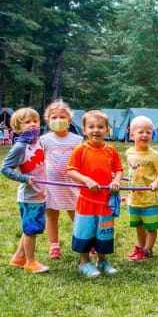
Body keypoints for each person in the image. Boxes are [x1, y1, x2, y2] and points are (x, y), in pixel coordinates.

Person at [67, 110, 123, 278]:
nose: (96, 130)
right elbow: (70, 170)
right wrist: (87, 180)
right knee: (85, 232)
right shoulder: (80, 149)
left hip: (105, 202)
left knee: (104, 233)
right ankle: (84, 263)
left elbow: (119, 169)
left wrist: (116, 181)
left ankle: (102, 261)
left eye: (100, 127)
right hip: (86, 201)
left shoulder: (111, 151)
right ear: (84, 130)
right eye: (91, 127)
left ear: (107, 130)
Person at [1, 108, 49, 273]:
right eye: (27, 122)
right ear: (18, 128)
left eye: (35, 121)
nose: (33, 124)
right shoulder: (20, 147)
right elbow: (5, 169)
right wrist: (25, 179)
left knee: (32, 228)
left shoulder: (39, 142)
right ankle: (30, 262)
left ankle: (18, 257)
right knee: (31, 231)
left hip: (40, 193)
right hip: (29, 196)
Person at [40, 99, 83, 259]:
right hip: (51, 185)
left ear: (69, 120)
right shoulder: (44, 140)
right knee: (52, 214)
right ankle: (54, 245)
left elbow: (81, 161)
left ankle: (84, 240)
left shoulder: (77, 140)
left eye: (62, 117)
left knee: (76, 213)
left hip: (71, 184)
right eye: (54, 117)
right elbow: (37, 161)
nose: (58, 120)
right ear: (48, 120)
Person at [125, 116, 158, 261]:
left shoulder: (154, 155)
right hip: (134, 199)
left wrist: (155, 183)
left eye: (148, 132)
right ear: (132, 135)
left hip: (149, 200)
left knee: (150, 227)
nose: (144, 135)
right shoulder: (129, 153)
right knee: (139, 226)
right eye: (140, 132)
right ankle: (140, 247)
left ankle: (148, 250)